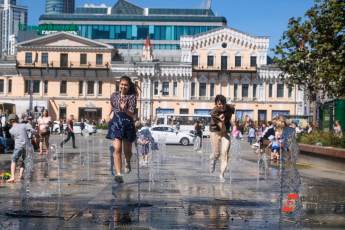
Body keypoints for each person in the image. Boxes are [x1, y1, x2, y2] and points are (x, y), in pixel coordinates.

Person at [106, 76, 138, 183]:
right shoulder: (114, 95)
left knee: (127, 151)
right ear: (119, 84)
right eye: (122, 84)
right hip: (116, 122)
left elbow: (132, 113)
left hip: (127, 123)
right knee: (117, 149)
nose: (123, 86)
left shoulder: (132, 97)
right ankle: (119, 174)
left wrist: (125, 109)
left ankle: (127, 161)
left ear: (129, 86)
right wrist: (108, 114)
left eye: (126, 85)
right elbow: (111, 104)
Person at [209, 95, 235, 182]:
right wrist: (222, 120)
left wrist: (234, 124)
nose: (221, 106)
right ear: (216, 104)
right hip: (215, 132)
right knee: (217, 153)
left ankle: (221, 175)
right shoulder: (214, 112)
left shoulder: (230, 108)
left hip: (225, 133)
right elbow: (221, 126)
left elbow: (233, 116)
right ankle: (213, 160)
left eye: (222, 104)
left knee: (225, 154)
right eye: (219, 104)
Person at [6, 114, 35, 183]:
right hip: (27, 146)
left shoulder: (11, 130)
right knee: (24, 161)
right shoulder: (23, 125)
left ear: (10, 122)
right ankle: (21, 175)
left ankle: (12, 177)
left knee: (14, 160)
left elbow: (14, 139)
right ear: (17, 119)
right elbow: (32, 131)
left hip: (18, 146)